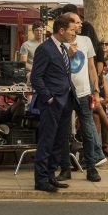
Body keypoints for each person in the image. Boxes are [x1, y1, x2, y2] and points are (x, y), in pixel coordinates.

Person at [31, 15, 77, 192]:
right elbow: (36, 77)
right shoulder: (45, 49)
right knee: (47, 141)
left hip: (66, 101)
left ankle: (51, 175)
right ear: (62, 30)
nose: (74, 33)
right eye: (72, 30)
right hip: (52, 102)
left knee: (59, 142)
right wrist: (48, 97)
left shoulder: (63, 49)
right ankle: (41, 179)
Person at [56, 12, 104, 183]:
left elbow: (92, 67)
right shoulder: (60, 42)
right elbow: (56, 68)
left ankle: (91, 168)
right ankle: (65, 168)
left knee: (88, 130)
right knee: (64, 131)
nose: (80, 24)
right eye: (77, 22)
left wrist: (96, 90)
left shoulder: (86, 41)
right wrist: (67, 55)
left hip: (84, 92)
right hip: (65, 92)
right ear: (69, 25)